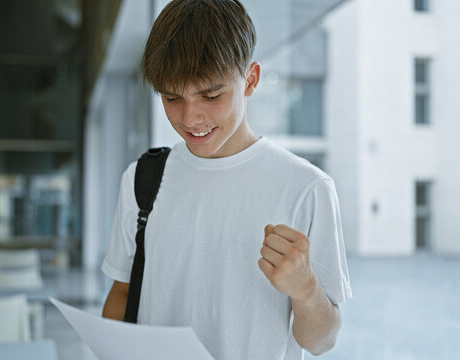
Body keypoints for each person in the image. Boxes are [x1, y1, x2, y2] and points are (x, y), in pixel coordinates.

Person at [101, 0, 352, 359]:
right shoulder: (143, 178)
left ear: (250, 80)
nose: (191, 117)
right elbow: (123, 293)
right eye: (172, 97)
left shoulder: (306, 188)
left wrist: (306, 288)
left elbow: (321, 342)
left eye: (211, 95)